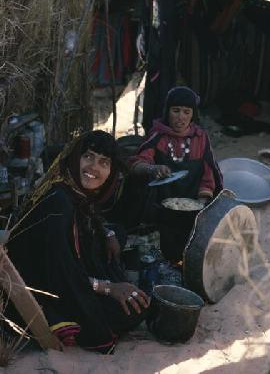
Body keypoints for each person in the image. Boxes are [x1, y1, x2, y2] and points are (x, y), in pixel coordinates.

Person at [7, 130, 150, 354]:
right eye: (88, 156)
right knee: (128, 312)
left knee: (115, 234)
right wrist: (108, 287)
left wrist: (107, 234)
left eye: (103, 162)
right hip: (44, 287)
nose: (94, 167)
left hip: (62, 269)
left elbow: (88, 219)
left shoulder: (72, 190)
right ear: (76, 158)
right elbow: (61, 272)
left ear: (111, 172)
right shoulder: (59, 205)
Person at [129, 86, 223, 261]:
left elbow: (209, 173)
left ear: (193, 115)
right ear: (167, 111)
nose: (181, 117)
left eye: (186, 112)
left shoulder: (200, 138)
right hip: (163, 206)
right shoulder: (158, 136)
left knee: (191, 248)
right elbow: (137, 163)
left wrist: (202, 202)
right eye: (176, 110)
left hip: (192, 205)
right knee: (166, 250)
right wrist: (152, 169)